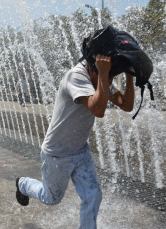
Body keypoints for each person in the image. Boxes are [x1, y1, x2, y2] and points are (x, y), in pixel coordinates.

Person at [15, 54, 135, 228]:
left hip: (81, 151)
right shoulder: (75, 77)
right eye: (107, 77)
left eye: (111, 77)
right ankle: (23, 184)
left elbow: (126, 104)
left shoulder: (99, 78)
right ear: (93, 69)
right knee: (51, 199)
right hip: (57, 154)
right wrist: (103, 74)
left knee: (93, 196)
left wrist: (130, 75)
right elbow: (98, 109)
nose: (109, 82)